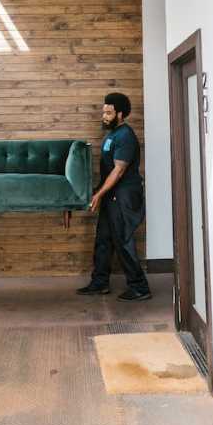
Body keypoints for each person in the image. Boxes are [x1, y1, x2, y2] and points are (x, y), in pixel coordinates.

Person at [77, 93, 152, 301]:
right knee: (104, 239)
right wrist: (99, 191)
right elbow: (108, 168)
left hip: (124, 196)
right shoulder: (112, 135)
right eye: (104, 111)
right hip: (111, 195)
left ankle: (140, 287)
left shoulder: (125, 136)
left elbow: (118, 171)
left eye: (109, 112)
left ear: (120, 114)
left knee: (123, 240)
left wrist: (99, 194)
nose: (105, 116)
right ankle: (100, 283)